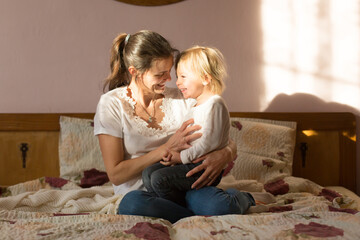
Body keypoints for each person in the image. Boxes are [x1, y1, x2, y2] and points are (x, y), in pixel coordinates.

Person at [94, 30, 255, 223]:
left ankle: (236, 200)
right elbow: (116, 174)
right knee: (131, 205)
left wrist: (223, 155)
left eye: (170, 71)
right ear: (134, 72)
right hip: (143, 194)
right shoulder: (111, 104)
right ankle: (194, 216)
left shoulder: (183, 97)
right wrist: (166, 148)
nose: (169, 79)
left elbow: (225, 141)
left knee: (216, 205)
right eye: (160, 74)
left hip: (187, 184)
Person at [142, 46, 231, 206]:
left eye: (183, 76)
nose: (177, 82)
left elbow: (209, 143)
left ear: (205, 78)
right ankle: (170, 204)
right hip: (189, 161)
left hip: (203, 166)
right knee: (148, 173)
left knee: (159, 179)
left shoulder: (215, 104)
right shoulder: (194, 105)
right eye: (178, 76)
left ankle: (176, 208)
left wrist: (181, 157)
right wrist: (174, 153)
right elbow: (188, 138)